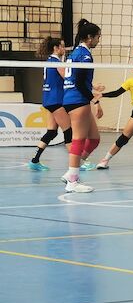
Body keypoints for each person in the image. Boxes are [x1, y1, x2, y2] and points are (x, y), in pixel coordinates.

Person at [60, 19, 104, 193]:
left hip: (73, 98)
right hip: (77, 100)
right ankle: (73, 180)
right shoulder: (84, 55)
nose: (98, 40)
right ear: (89, 37)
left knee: (94, 139)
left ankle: (70, 172)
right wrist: (94, 100)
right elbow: (78, 82)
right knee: (78, 139)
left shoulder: (75, 53)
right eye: (98, 37)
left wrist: (92, 88)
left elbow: (78, 79)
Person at [28, 37, 72, 171]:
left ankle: (35, 160)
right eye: (62, 46)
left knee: (52, 132)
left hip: (48, 100)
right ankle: (78, 162)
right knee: (69, 131)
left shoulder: (49, 61)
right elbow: (67, 77)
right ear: (56, 48)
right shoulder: (57, 63)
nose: (64, 49)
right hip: (56, 100)